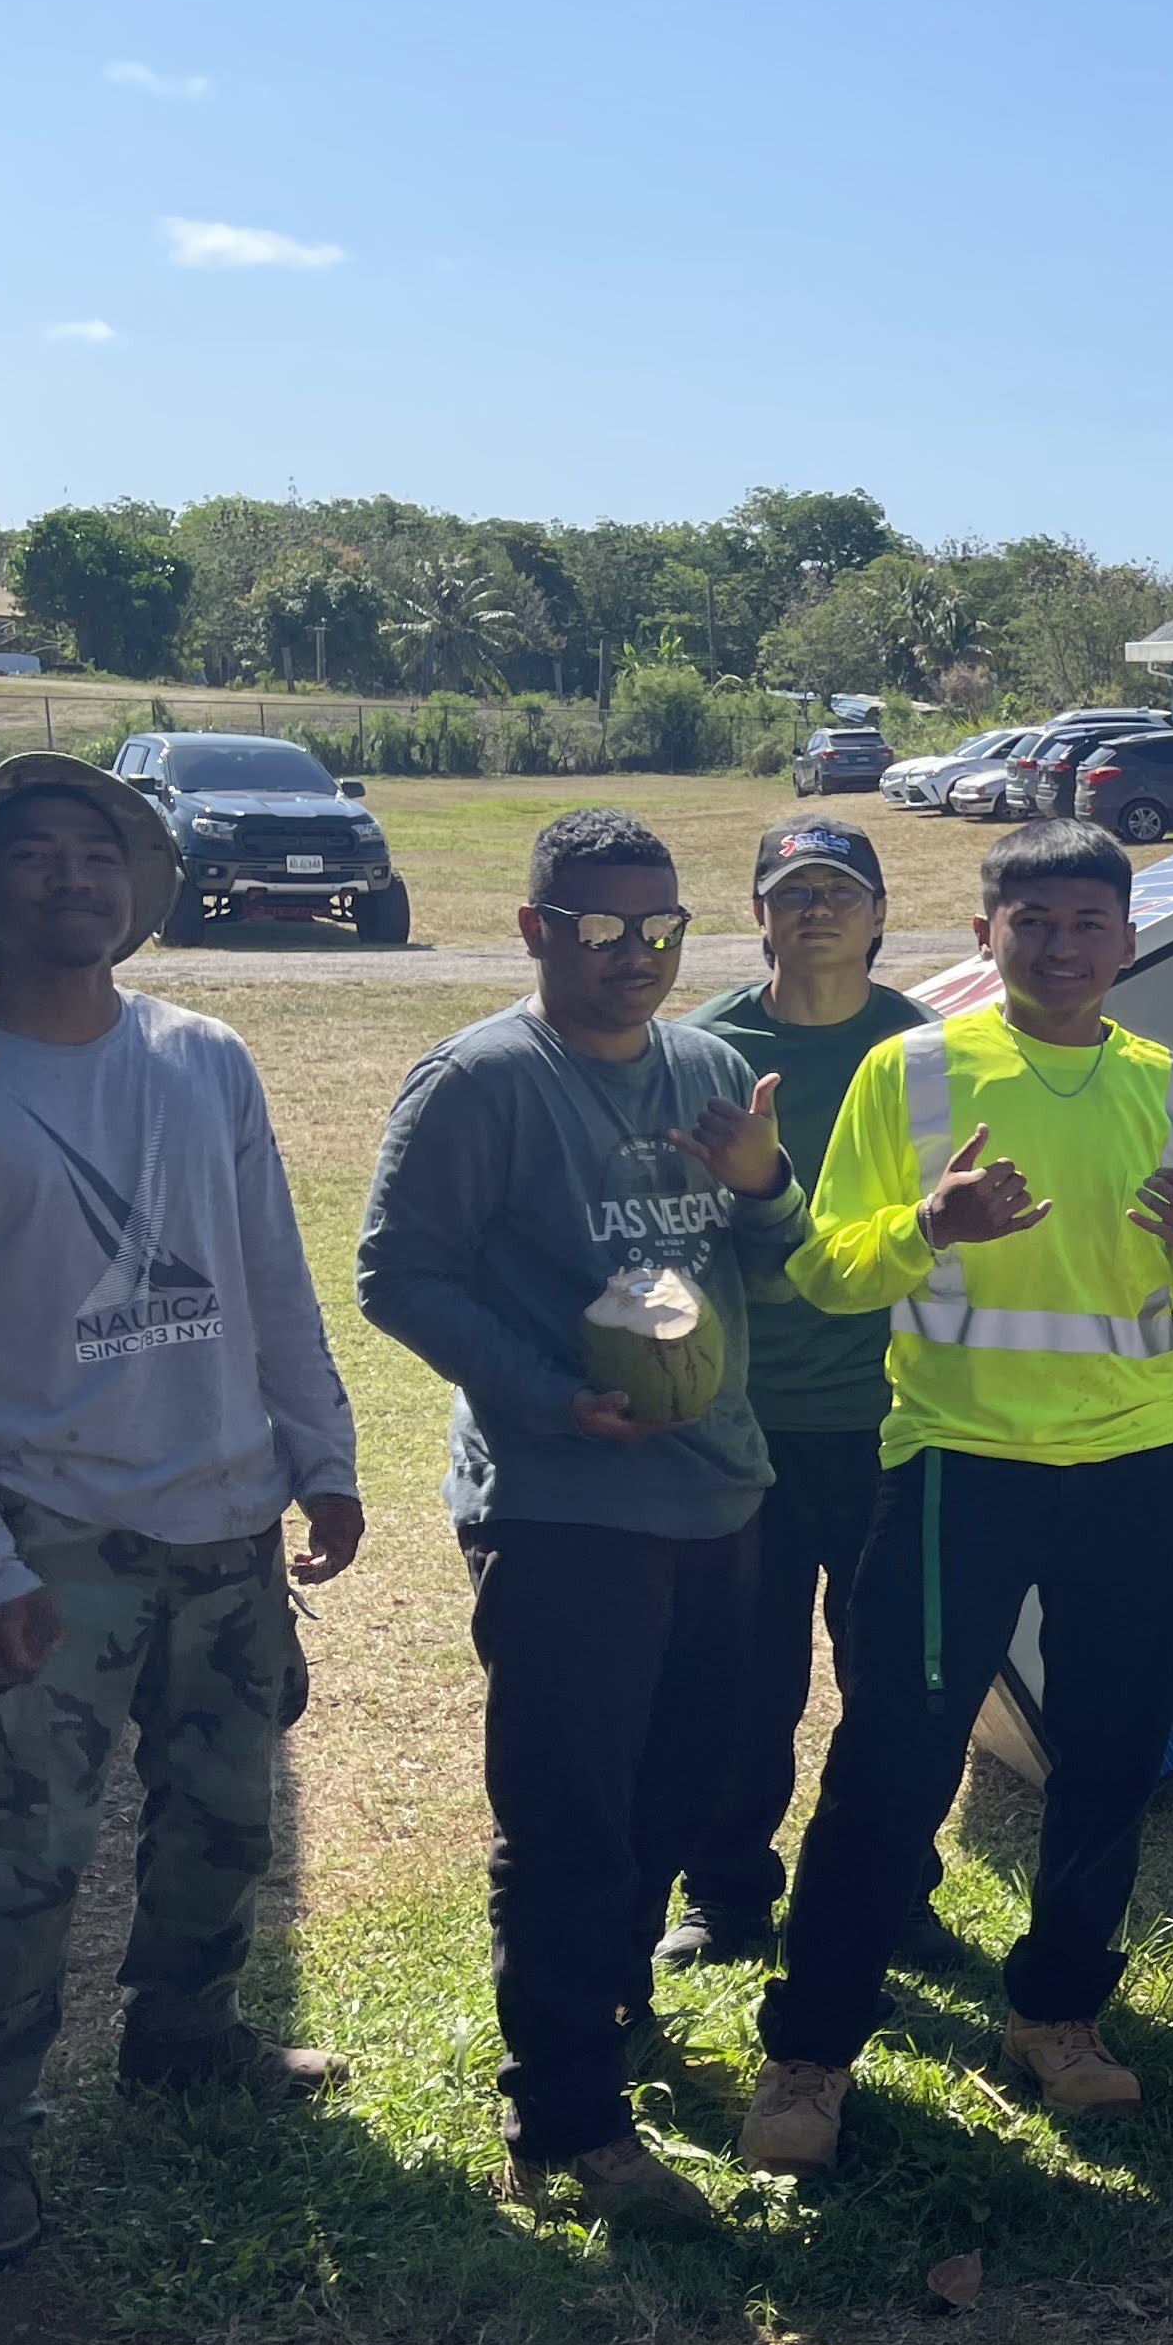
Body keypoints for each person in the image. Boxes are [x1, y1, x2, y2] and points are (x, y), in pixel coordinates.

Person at [0, 754, 365, 2270]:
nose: (73, 875)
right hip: (51, 1540)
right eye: (36, 855)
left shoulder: (206, 1058)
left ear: (136, 890)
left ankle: (186, 2037)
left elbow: (270, 1266)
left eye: (98, 851)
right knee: (15, 1850)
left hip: (227, 1522)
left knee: (226, 1811)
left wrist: (321, 1455)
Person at [747, 818, 1173, 2169]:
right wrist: (932, 1224)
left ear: (1129, 941)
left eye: (1088, 922)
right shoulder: (913, 1072)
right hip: (955, 1467)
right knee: (895, 1756)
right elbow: (826, 1269)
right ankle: (810, 2051)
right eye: (1031, 921)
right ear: (985, 935)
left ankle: (1060, 2014)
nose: (1060, 946)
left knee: (1112, 1753)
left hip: (1129, 1467)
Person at [354, 806, 804, 2232]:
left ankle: (611, 2015)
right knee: (568, 1815)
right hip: (563, 1508)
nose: (635, 954)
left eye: (659, 927)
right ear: (537, 929)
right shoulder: (482, 1083)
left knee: (677, 1789)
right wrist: (553, 1398)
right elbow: (397, 1275)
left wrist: (763, 1184)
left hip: (716, 1488)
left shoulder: (711, 1069)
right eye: (602, 927)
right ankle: (563, 2124)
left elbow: (776, 1265)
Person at [664, 816, 930, 1971]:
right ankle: (725, 1897)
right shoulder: (699, 1052)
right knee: (739, 1677)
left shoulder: (924, 1051)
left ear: (879, 916)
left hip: (892, 1415)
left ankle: (892, 1893)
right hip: (742, 1418)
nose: (817, 909)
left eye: (840, 891)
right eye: (794, 891)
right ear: (758, 915)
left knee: (895, 1683)